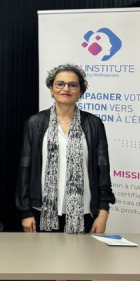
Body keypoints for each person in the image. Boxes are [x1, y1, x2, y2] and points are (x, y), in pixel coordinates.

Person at [16, 64, 115, 234]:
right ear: (51, 88)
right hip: (42, 211)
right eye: (60, 84)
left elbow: (103, 169)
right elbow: (25, 168)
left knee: (82, 252)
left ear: (80, 91)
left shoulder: (94, 124)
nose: (66, 89)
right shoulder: (35, 123)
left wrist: (104, 212)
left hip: (85, 212)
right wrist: (25, 211)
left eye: (73, 85)